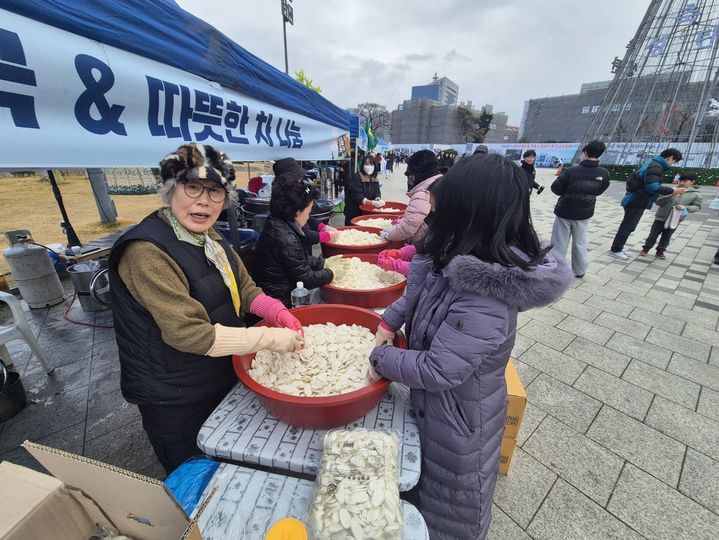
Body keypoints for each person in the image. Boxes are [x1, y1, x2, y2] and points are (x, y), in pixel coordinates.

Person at [369, 153, 573, 540]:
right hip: (436, 409)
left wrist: (378, 356)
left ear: (469, 217)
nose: (430, 219)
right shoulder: (453, 255)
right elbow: (418, 295)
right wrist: (388, 321)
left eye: (439, 211)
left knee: (453, 509)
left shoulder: (486, 298)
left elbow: (437, 370)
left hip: (461, 423)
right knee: (422, 487)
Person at [109, 143, 304, 474]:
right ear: (170, 190)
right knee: (194, 473)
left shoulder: (209, 236)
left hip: (214, 374)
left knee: (229, 462)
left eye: (215, 191)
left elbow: (243, 288)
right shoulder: (146, 252)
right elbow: (191, 335)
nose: (204, 200)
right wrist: (269, 339)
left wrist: (275, 311)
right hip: (174, 392)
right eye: (192, 187)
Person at [252, 174, 339, 307]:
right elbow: (307, 279)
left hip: (279, 288)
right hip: (280, 299)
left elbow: (298, 259)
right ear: (297, 212)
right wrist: (332, 273)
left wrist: (322, 263)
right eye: (308, 213)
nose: (308, 217)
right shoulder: (285, 237)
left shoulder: (279, 221)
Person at [609, 148, 685, 260]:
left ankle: (618, 248)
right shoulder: (656, 166)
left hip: (636, 199)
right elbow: (652, 187)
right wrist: (672, 191)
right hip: (636, 200)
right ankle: (615, 250)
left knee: (627, 226)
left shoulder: (653, 164)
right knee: (628, 226)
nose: (673, 164)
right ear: (670, 158)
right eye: (674, 161)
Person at [550, 140, 610, 278]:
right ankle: (579, 270)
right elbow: (600, 190)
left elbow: (556, 188)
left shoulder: (571, 171)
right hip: (584, 212)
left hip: (564, 211)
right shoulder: (604, 173)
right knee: (580, 242)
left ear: (585, 153)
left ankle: (555, 269)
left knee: (559, 242)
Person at [379, 149, 442, 245]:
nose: (411, 178)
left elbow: (409, 227)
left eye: (412, 175)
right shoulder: (441, 184)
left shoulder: (424, 193)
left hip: (424, 244)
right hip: (436, 240)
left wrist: (388, 235)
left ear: (418, 173)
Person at [272, 158, 338, 247]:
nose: (300, 179)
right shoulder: (285, 201)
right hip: (295, 247)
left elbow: (306, 213)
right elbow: (305, 235)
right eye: (297, 176)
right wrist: (327, 236)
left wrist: (321, 226)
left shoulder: (300, 188)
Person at [640, 173, 702, 259]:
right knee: (653, 235)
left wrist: (685, 207)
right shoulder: (670, 190)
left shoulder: (696, 194)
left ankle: (660, 251)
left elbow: (697, 207)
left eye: (685, 181)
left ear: (692, 182)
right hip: (661, 217)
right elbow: (658, 201)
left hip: (675, 219)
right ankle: (646, 249)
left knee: (666, 236)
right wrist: (672, 194)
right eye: (680, 180)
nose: (682, 183)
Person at [344, 155, 383, 225]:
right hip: (354, 212)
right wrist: (373, 203)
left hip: (366, 212)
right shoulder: (356, 177)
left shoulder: (374, 178)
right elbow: (358, 196)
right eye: (366, 164)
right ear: (362, 165)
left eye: (371, 164)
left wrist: (378, 199)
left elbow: (377, 191)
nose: (369, 166)